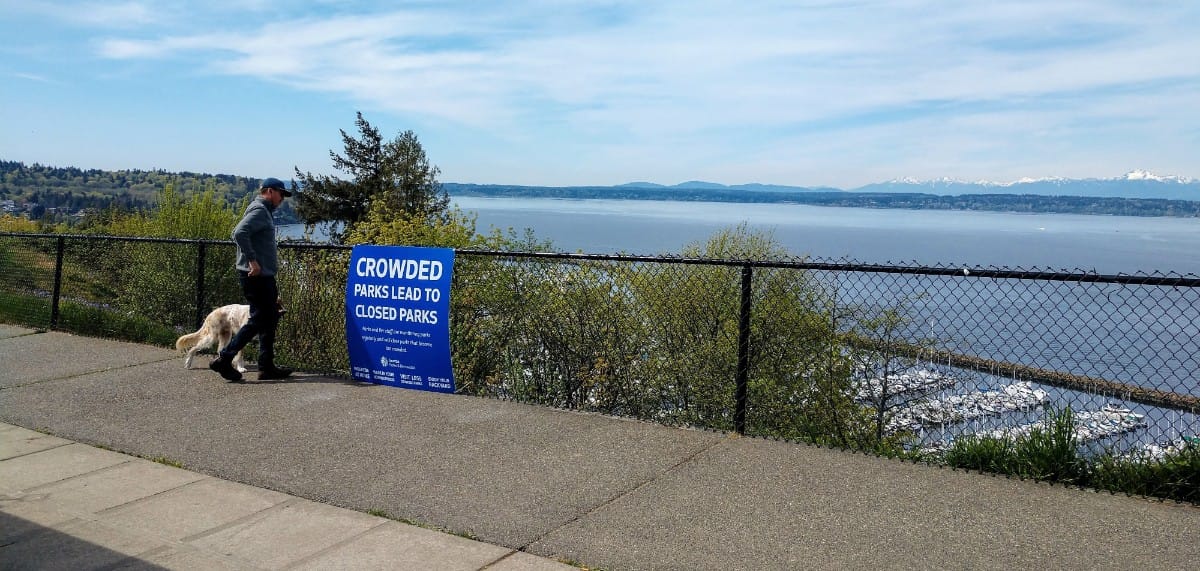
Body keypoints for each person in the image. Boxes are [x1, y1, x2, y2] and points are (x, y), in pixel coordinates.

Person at [209, 177, 294, 382]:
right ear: (270, 191)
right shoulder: (259, 210)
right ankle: (225, 358)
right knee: (259, 318)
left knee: (270, 318)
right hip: (256, 276)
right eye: (281, 194)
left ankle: (266, 367)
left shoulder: (263, 210)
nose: (282, 199)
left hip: (263, 276)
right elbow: (239, 233)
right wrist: (253, 261)